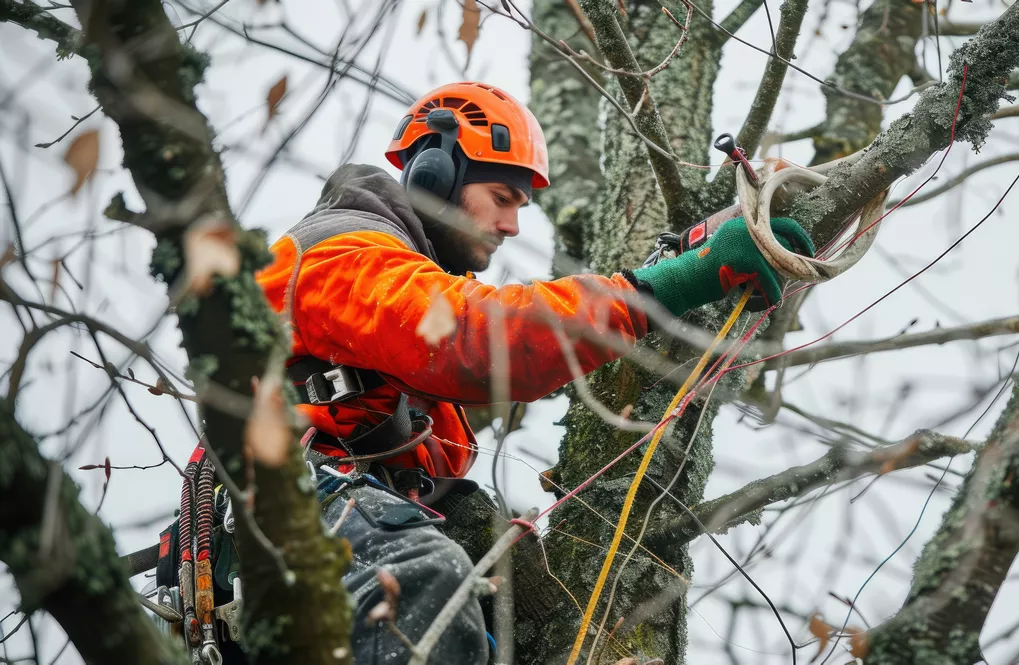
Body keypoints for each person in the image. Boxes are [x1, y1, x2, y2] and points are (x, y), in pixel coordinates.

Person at [253, 81, 814, 664]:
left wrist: (682, 264)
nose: (512, 225)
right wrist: (669, 285)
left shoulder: (400, 306)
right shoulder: (340, 252)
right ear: (433, 177)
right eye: (501, 197)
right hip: (292, 507)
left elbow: (517, 350)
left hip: (350, 525)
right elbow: (485, 341)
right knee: (429, 577)